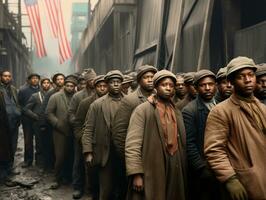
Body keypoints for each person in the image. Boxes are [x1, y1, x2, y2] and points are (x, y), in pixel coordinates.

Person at [204, 56, 266, 200]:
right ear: (231, 82)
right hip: (246, 182)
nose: (248, 80)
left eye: (251, 75)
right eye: (241, 77)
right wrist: (230, 179)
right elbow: (214, 150)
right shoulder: (220, 111)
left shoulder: (262, 108)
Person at [125, 70, 187, 200]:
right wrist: (136, 173)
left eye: (171, 85)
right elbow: (132, 144)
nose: (168, 88)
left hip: (174, 166)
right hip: (152, 166)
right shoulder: (143, 110)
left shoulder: (176, 111)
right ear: (156, 87)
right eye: (164, 85)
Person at [112, 65, 157, 199]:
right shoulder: (130, 100)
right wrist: (130, 161)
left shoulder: (160, 96)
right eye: (146, 77)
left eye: (152, 77)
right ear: (139, 80)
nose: (150, 80)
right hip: (137, 157)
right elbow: (119, 133)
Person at [82, 70, 124, 200]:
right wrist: (88, 151)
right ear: (107, 84)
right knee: (106, 189)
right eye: (112, 82)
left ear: (122, 84)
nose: (115, 85)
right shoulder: (97, 105)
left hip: (123, 152)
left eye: (118, 82)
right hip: (104, 152)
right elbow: (88, 129)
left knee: (122, 187)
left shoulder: (129, 102)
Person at [182, 69, 220, 200]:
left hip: (222, 165)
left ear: (215, 85)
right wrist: (201, 168)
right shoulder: (190, 111)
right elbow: (189, 143)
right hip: (205, 170)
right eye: (203, 85)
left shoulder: (221, 106)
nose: (208, 88)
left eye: (211, 84)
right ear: (196, 88)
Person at [71, 75, 108, 199]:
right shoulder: (86, 102)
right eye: (99, 86)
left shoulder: (115, 101)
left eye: (104, 86)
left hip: (104, 143)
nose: (102, 89)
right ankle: (79, 188)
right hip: (86, 141)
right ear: (95, 87)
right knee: (80, 164)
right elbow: (78, 123)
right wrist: (82, 139)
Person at [46, 76, 77, 189]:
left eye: (72, 86)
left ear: (75, 87)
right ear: (64, 86)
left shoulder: (77, 97)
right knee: (60, 157)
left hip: (74, 131)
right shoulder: (55, 97)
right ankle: (56, 179)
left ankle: (68, 178)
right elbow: (48, 113)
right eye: (67, 85)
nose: (69, 88)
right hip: (59, 132)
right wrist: (58, 124)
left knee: (72, 156)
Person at [24, 77, 51, 169]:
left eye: (48, 83)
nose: (46, 84)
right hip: (38, 124)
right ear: (41, 84)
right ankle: (40, 164)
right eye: (44, 83)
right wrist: (35, 116)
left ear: (50, 84)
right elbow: (26, 109)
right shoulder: (36, 96)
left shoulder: (53, 95)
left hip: (50, 124)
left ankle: (49, 164)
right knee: (39, 144)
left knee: (50, 144)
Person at [40, 73, 65, 170]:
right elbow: (44, 109)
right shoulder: (50, 93)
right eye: (58, 79)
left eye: (62, 79)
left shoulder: (68, 91)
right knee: (51, 146)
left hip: (64, 123)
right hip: (51, 124)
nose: (60, 81)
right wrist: (43, 124)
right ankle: (50, 166)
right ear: (55, 81)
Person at [0, 70, 21, 180]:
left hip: (14, 122)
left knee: (13, 145)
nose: (7, 78)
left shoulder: (13, 89)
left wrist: (18, 113)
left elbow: (16, 103)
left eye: (9, 76)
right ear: (0, 77)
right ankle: (2, 170)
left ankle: (10, 167)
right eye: (5, 76)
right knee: (3, 147)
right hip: (3, 124)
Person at [18, 73, 40, 168]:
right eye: (33, 78)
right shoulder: (23, 90)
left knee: (40, 141)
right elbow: (20, 105)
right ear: (29, 80)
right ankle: (28, 160)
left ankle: (39, 161)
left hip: (39, 119)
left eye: (36, 78)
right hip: (27, 120)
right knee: (28, 141)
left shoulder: (42, 89)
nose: (35, 80)